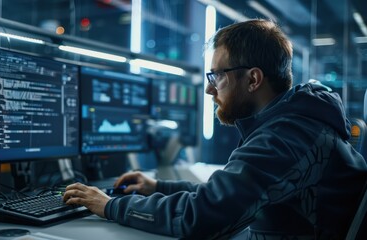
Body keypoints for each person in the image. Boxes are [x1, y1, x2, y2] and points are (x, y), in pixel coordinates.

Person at [63, 19, 367, 239]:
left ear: (253, 79)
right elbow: (227, 195)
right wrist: (158, 187)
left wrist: (111, 206)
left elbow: (204, 216)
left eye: (216, 76)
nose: (210, 91)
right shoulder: (291, 123)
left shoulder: (286, 136)